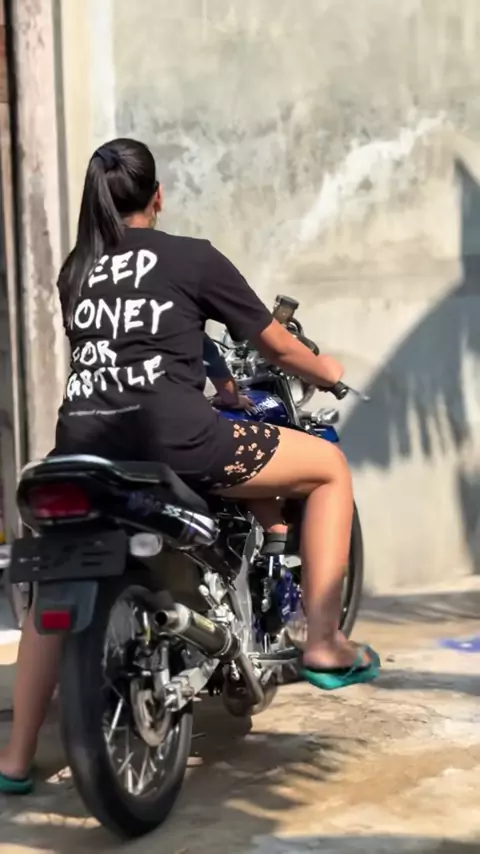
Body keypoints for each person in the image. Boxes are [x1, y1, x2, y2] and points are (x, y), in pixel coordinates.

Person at [0, 138, 379, 794]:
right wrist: (326, 370)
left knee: (55, 578)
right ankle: (322, 640)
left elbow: (122, 350)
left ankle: (13, 758)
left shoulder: (75, 270)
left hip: (81, 446)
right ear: (158, 195)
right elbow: (276, 345)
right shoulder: (192, 257)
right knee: (328, 468)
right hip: (175, 441)